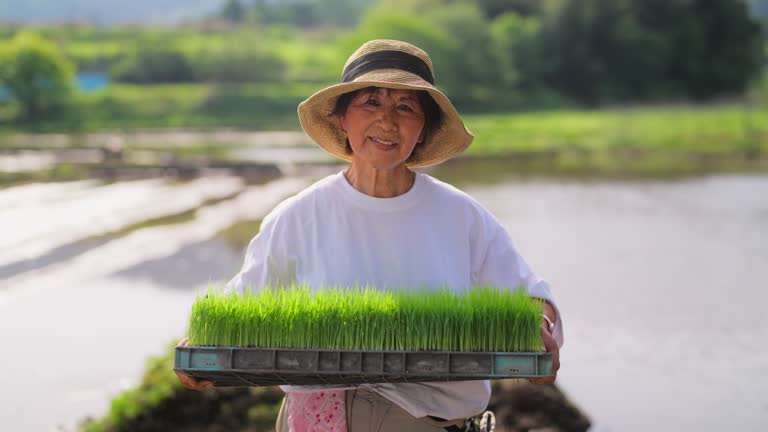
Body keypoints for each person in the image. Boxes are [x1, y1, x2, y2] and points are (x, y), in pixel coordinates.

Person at [177, 39, 563, 432]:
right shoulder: (298, 217)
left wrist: (539, 326)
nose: (387, 121)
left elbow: (529, 295)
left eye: (406, 107)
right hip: (324, 417)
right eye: (371, 102)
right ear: (343, 118)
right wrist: (200, 342)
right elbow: (241, 304)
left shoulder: (463, 216)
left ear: (423, 128)